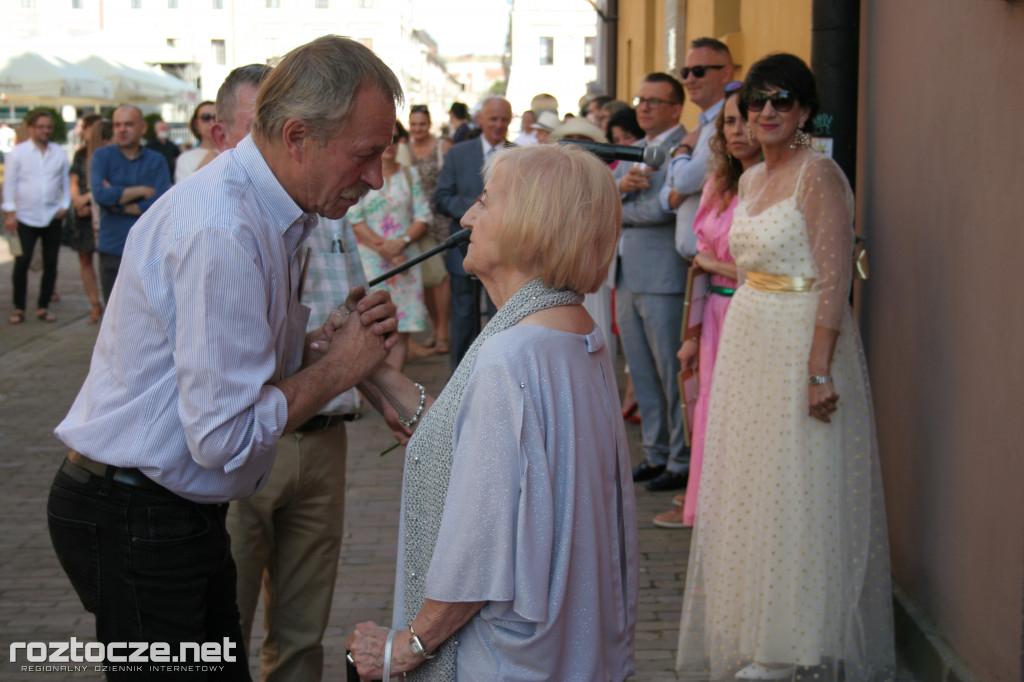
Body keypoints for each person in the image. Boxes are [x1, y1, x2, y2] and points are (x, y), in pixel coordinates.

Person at [48, 35, 403, 681]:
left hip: (164, 512)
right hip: (137, 515)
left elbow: (238, 362)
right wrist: (339, 368)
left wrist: (323, 342)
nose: (377, 177)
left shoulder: (275, 213)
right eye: (367, 154)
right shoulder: (224, 228)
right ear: (297, 136)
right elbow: (224, 434)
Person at [345, 142, 638, 682]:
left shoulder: (515, 352)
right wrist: (366, 366)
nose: (466, 216)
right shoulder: (567, 329)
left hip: (507, 656)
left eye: (485, 201)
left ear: (532, 221)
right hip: (567, 638)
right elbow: (466, 437)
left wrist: (408, 646)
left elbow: (481, 540)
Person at [676, 54, 895, 681]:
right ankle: (759, 631)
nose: (768, 113)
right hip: (749, 338)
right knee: (751, 485)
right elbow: (744, 267)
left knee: (798, 487)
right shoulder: (747, 181)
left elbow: (833, 282)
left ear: (803, 112)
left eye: (784, 102)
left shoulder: (819, 175)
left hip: (801, 341)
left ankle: (795, 644)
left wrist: (819, 371)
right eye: (759, 103)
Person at [650, 81, 760, 529]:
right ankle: (707, 501)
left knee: (746, 414)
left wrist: (717, 263)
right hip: (713, 311)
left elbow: (764, 269)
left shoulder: (771, 186)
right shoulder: (719, 180)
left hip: (751, 311)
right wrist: (691, 335)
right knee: (709, 410)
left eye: (743, 120)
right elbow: (699, 260)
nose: (736, 131)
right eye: (728, 122)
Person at [616, 72, 691, 492]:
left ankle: (680, 459)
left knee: (670, 371)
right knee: (641, 371)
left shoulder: (683, 146)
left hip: (664, 276)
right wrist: (621, 187)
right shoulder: (632, 150)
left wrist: (620, 204)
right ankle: (655, 452)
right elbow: (600, 193)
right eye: (640, 99)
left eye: (654, 101)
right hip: (628, 273)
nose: (643, 107)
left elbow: (665, 210)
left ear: (675, 108)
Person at [433, 95, 514, 371]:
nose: (499, 125)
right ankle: (460, 385)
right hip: (463, 251)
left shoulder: (520, 156)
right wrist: (474, 208)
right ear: (480, 119)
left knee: (501, 321)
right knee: (463, 320)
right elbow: (441, 198)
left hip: (505, 254)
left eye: (504, 119)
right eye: (493, 119)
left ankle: (498, 380)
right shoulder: (458, 153)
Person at [350, 121, 431, 370]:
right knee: (371, 325)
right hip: (373, 262)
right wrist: (385, 248)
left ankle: (394, 393)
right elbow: (355, 218)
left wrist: (400, 244)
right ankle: (368, 387)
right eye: (384, 138)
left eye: (395, 139)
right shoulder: (359, 174)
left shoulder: (409, 174)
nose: (389, 145)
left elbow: (423, 216)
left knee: (402, 327)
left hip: (406, 260)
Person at [90, 105, 171, 303]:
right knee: (113, 315)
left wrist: (116, 202)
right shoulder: (102, 157)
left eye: (128, 124)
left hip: (149, 248)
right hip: (113, 247)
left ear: (142, 128)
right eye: (117, 125)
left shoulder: (156, 160)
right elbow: (100, 194)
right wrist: (143, 191)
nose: (122, 129)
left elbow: (161, 200)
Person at [663, 37, 735, 258]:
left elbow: (684, 181)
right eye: (685, 72)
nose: (690, 79)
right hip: (696, 260)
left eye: (699, 71)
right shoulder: (703, 124)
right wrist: (678, 188)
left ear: (725, 73)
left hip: (714, 260)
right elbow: (665, 195)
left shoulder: (727, 122)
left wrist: (682, 149)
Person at [3, 109, 69, 324]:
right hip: (26, 216)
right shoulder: (18, 153)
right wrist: (10, 212)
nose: (45, 131)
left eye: (48, 127)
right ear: (31, 128)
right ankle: (19, 306)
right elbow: (10, 183)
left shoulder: (59, 152)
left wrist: (64, 204)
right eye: (41, 127)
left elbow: (64, 183)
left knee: (51, 262)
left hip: (52, 215)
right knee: (22, 261)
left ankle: (43, 306)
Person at [407, 104, 452, 354]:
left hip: (440, 219)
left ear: (429, 124)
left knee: (442, 278)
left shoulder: (442, 147)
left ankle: (444, 330)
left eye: (422, 124)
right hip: (416, 220)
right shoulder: (405, 149)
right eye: (414, 124)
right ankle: (436, 328)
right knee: (426, 277)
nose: (417, 129)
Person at [67, 113, 105, 324]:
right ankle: (94, 303)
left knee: (106, 259)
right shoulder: (81, 154)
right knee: (85, 259)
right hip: (81, 214)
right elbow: (73, 180)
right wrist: (77, 200)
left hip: (99, 211)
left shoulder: (107, 153)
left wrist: (87, 201)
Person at [175, 100, 218, 182]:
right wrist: (202, 167)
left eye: (216, 117)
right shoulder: (185, 159)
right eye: (205, 117)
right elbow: (183, 192)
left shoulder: (233, 152)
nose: (212, 122)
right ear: (196, 124)